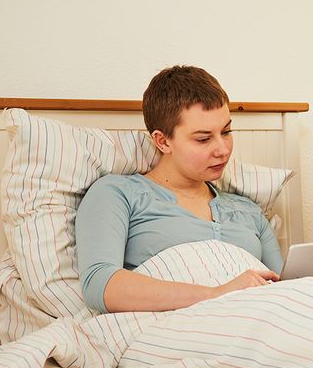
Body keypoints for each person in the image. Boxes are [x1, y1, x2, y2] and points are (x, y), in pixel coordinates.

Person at [76, 65, 282, 313]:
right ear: (163, 141)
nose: (223, 149)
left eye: (226, 131)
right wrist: (215, 295)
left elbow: (286, 287)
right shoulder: (118, 193)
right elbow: (100, 284)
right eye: (203, 139)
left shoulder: (248, 211)